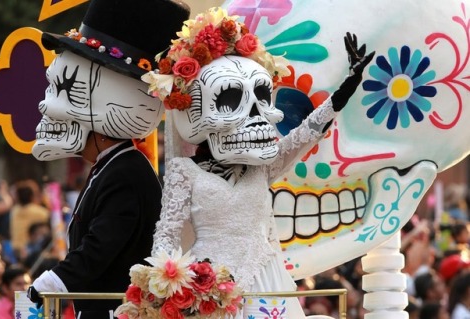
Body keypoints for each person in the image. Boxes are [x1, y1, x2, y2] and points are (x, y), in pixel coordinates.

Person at [148, 7, 374, 319]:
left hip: (267, 279)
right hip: (210, 288)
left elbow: (303, 135)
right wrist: (161, 289)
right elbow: (167, 234)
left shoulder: (262, 166)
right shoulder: (184, 171)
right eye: (230, 101)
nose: (253, 117)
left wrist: (347, 88)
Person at [26, 0, 191, 318]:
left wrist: (55, 281)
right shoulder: (114, 166)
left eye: (67, 90)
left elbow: (102, 244)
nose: (47, 107)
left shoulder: (125, 172)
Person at [9, 179, 50, 261]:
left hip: (15, 249)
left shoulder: (15, 210)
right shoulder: (40, 212)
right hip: (31, 250)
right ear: (32, 196)